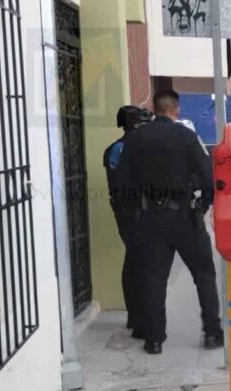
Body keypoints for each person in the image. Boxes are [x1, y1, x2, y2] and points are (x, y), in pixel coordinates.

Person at [116, 90, 223, 354]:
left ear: (154, 109)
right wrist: (204, 204)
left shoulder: (136, 138)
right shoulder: (186, 137)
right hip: (185, 217)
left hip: (150, 219)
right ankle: (212, 331)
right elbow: (208, 176)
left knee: (154, 279)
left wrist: (137, 214)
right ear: (177, 110)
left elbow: (121, 183)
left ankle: (154, 340)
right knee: (204, 274)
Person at [104, 105, 153, 339]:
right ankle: (138, 316)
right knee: (139, 262)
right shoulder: (121, 149)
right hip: (132, 213)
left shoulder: (126, 147)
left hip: (136, 212)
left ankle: (137, 315)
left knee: (136, 261)